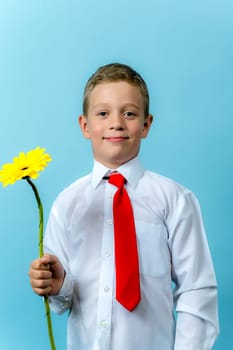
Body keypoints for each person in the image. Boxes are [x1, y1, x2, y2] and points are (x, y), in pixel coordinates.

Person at [28, 63, 219, 350]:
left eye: (129, 113)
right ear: (85, 126)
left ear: (146, 125)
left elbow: (196, 290)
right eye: (103, 113)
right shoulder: (66, 204)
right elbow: (61, 303)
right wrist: (58, 285)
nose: (116, 123)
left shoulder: (176, 200)